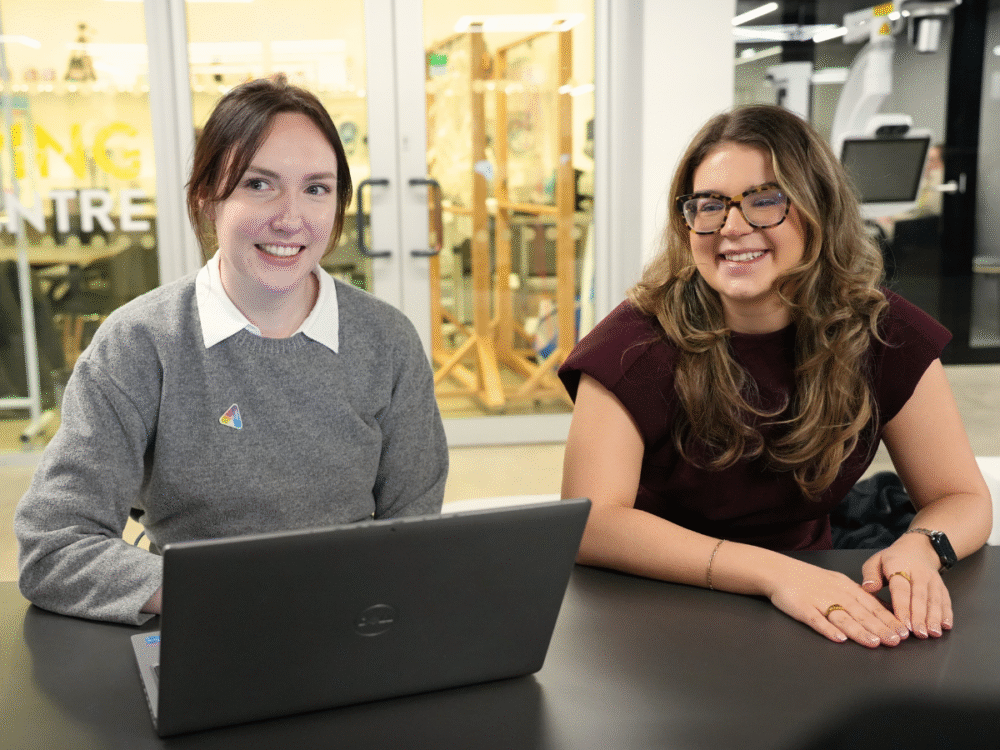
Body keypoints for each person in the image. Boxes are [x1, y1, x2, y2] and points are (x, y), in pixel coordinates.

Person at [15, 75, 448, 625]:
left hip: (349, 622)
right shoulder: (140, 343)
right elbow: (54, 545)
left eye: (317, 188)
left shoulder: (387, 342)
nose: (291, 217)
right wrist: (231, 596)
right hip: (201, 625)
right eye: (259, 184)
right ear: (206, 197)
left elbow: (415, 532)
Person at [559, 105, 992, 649]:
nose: (732, 227)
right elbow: (593, 522)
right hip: (659, 598)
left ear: (818, 211)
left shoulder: (883, 331)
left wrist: (919, 548)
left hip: (816, 587)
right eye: (709, 206)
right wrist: (773, 574)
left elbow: (961, 496)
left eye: (765, 201)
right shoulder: (633, 344)